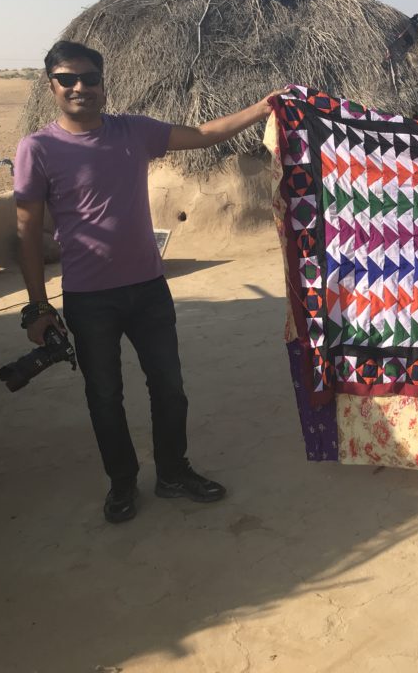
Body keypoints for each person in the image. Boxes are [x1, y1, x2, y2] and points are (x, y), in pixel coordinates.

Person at [14, 40, 283, 523]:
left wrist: (264, 106)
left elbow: (203, 134)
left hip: (148, 289)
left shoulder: (132, 131)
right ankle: (122, 483)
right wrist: (38, 306)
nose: (80, 88)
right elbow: (27, 230)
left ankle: (174, 474)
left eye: (89, 78)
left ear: (103, 82)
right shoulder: (38, 148)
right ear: (51, 85)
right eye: (67, 79)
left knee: (169, 388)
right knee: (104, 396)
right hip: (88, 298)